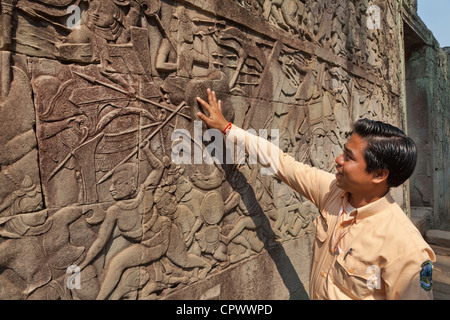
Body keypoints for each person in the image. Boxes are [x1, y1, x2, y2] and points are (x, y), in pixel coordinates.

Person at [196, 88, 436, 300]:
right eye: (343, 151)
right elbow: (281, 163)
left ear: (379, 175)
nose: (338, 160)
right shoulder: (333, 192)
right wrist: (228, 129)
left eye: (349, 157)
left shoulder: (406, 248)